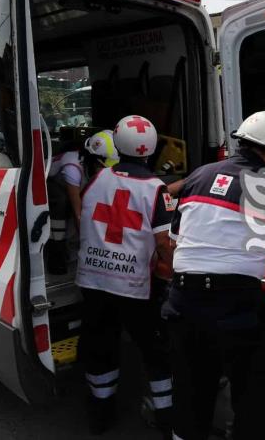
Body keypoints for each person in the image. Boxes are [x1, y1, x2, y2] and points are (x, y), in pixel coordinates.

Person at [163, 110, 265, 440]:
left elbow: (175, 237)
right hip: (234, 307)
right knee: (254, 397)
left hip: (183, 303)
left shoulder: (199, 175)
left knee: (190, 399)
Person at [76, 115, 175, 436]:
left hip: (93, 281)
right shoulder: (155, 189)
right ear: (152, 148)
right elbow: (163, 243)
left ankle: (100, 414)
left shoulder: (97, 179)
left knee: (100, 345)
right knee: (154, 350)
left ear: (116, 143)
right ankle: (165, 417)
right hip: (135, 288)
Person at [45, 130, 120, 275]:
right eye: (103, 168)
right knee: (61, 201)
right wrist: (91, 248)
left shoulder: (96, 165)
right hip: (49, 182)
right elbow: (78, 212)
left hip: (75, 184)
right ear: (94, 160)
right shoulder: (72, 169)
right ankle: (57, 251)